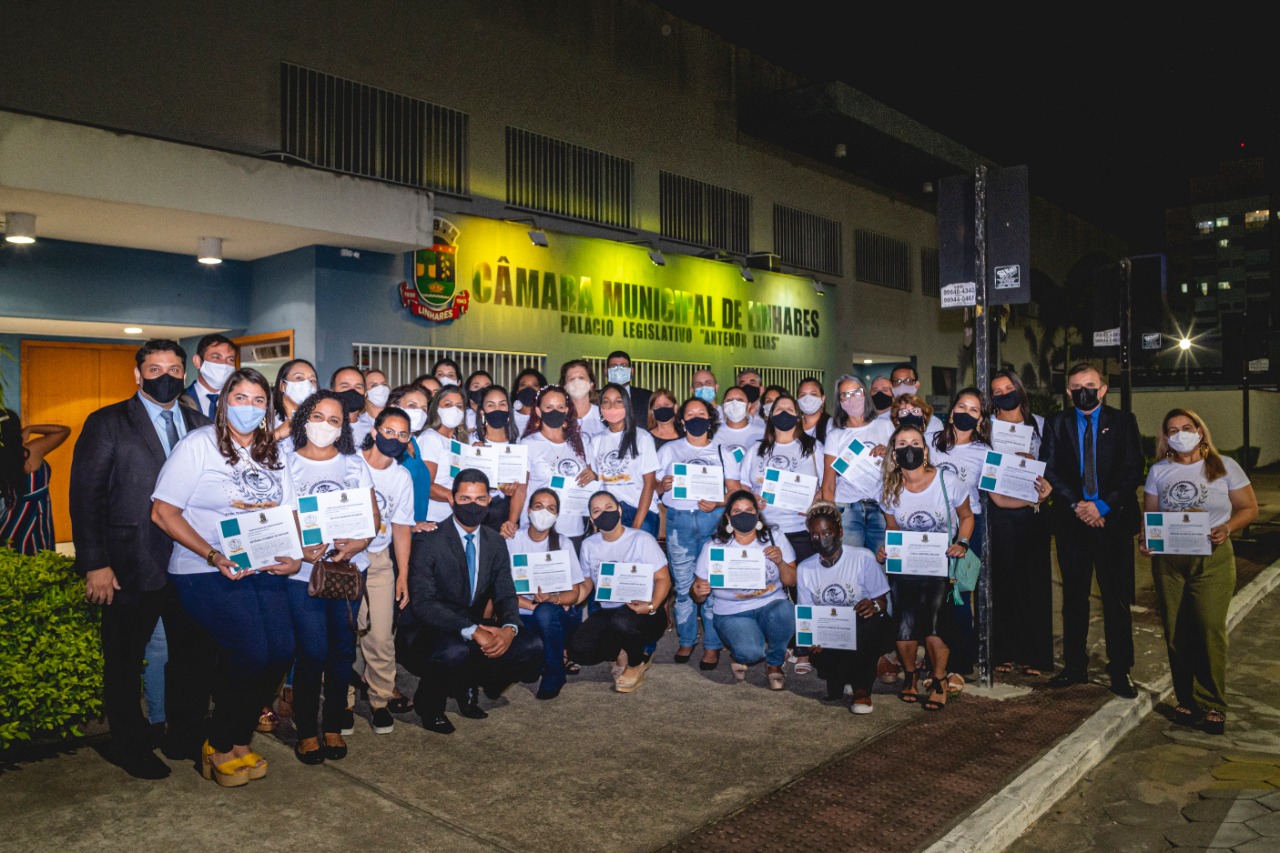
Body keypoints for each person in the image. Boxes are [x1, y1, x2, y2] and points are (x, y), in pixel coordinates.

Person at [70, 339, 213, 779]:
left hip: (190, 563)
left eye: (173, 368)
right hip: (130, 562)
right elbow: (85, 497)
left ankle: (184, 736)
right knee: (125, 658)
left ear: (185, 372)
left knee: (191, 656)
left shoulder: (201, 422)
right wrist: (95, 562)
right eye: (154, 369)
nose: (165, 377)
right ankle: (129, 745)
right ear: (137, 374)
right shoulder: (107, 422)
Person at [151, 366, 297, 786]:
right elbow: (163, 512)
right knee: (250, 652)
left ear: (267, 407)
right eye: (239, 398)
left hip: (263, 566)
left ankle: (239, 737)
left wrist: (292, 557)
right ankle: (217, 742)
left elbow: (286, 513)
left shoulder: (274, 452)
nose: (248, 407)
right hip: (204, 569)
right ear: (223, 403)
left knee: (281, 649)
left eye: (257, 400)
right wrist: (213, 554)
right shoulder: (198, 445)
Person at [400, 469, 544, 734]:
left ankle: (472, 680)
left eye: (479, 499)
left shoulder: (494, 542)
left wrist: (510, 629)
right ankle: (428, 705)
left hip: (473, 624)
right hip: (430, 629)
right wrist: (473, 630)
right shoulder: (429, 540)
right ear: (452, 500)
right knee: (455, 651)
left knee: (531, 646)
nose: (473, 505)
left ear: (489, 501)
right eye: (465, 499)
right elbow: (423, 604)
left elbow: (505, 592)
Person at [1141, 409, 1256, 735]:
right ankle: (1188, 700)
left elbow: (1249, 508)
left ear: (1200, 432)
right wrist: (1145, 540)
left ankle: (1214, 703)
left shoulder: (1224, 466)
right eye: (1172, 429)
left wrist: (1228, 527)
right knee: (1177, 632)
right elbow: (1150, 516)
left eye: (1186, 427)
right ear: (1165, 437)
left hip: (1213, 558)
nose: (1180, 433)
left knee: (1208, 629)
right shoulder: (1159, 471)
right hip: (1170, 562)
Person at [281, 390, 376, 764]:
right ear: (304, 419)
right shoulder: (284, 461)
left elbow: (372, 517)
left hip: (348, 571)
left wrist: (358, 543)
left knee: (340, 651)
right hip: (302, 575)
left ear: (344, 427)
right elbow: (278, 513)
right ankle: (306, 731)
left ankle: (333, 725)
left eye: (334, 420)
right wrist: (300, 545)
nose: (325, 426)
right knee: (312, 652)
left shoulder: (353, 464)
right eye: (317, 416)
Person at [1042, 363, 1144, 698]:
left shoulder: (1123, 421)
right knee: (1073, 599)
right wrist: (1077, 505)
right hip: (1073, 524)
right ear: (1068, 391)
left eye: (1089, 384)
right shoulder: (1057, 423)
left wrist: (1101, 506)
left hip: (1112, 523)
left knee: (1116, 601)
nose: (1082, 391)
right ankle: (1074, 667)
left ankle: (1120, 670)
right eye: (1075, 387)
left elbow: (1133, 470)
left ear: (1102, 388)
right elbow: (1050, 469)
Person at [876, 422, 974, 712]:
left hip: (940, 563)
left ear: (926, 451)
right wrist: (886, 548)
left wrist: (963, 542)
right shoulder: (888, 489)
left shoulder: (948, 482)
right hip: (906, 565)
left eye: (916, 443)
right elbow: (892, 527)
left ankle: (939, 678)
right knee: (904, 624)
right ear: (894, 454)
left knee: (934, 621)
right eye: (903, 444)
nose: (910, 449)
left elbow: (967, 517)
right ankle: (911, 674)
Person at [690, 490, 797, 689]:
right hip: (732, 611)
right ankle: (738, 654)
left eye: (749, 510)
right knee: (750, 652)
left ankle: (774, 663)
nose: (744, 515)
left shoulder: (774, 537)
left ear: (758, 514)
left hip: (770, 603)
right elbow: (696, 595)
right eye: (737, 512)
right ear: (728, 517)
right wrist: (698, 591)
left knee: (786, 611)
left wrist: (780, 562)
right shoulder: (714, 547)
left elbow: (791, 581)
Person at [568, 491, 672, 692]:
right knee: (578, 648)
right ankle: (621, 653)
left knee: (623, 622)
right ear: (592, 518)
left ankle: (636, 663)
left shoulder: (642, 539)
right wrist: (570, 599)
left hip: (646, 611)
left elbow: (663, 579)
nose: (604, 513)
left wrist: (652, 606)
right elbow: (587, 581)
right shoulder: (589, 545)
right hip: (609, 610)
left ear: (619, 509)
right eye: (597, 511)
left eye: (609, 507)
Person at [988, 369, 1054, 677]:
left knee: (1035, 585)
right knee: (1003, 584)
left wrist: (1044, 492)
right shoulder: (985, 428)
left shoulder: (1040, 425)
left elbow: (1051, 466)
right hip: (999, 510)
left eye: (1008, 388)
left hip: (1033, 511)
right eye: (997, 391)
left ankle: (1035, 655)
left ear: (1019, 389)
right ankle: (1003, 650)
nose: (1004, 394)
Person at [929, 388, 997, 687]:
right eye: (961, 406)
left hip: (967, 529)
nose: (966, 413)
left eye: (974, 410)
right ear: (951, 409)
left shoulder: (986, 453)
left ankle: (959, 663)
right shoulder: (932, 444)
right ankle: (935, 659)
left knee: (957, 593)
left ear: (981, 418)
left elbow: (997, 494)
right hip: (931, 528)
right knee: (932, 595)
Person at [796, 502, 892, 714]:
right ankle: (840, 677)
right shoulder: (805, 569)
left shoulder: (863, 558)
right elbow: (806, 616)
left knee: (870, 623)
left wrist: (873, 606)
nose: (821, 539)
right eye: (815, 534)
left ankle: (862, 690)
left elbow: (882, 601)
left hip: (864, 629)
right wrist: (811, 639)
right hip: (830, 634)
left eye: (826, 532)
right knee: (821, 655)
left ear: (840, 532)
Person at [355, 406, 417, 734]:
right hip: (345, 560)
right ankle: (344, 700)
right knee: (348, 633)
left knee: (381, 634)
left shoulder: (401, 477)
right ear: (375, 430)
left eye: (403, 434)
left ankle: (379, 699)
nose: (395, 438)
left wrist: (402, 575)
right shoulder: (352, 463)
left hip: (379, 562)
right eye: (389, 431)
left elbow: (402, 527)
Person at [655, 397, 729, 666]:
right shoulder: (669, 450)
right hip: (680, 523)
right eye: (690, 414)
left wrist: (719, 501)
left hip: (713, 521)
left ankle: (712, 644)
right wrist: (662, 485)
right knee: (684, 586)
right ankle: (687, 640)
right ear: (682, 420)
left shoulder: (724, 450)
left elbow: (735, 490)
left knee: (712, 585)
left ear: (710, 419)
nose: (696, 417)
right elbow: (654, 487)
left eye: (702, 413)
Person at [506, 487, 590, 699]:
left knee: (545, 612)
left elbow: (574, 592)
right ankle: (537, 661)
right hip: (519, 617)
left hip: (555, 618)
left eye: (551, 508)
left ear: (557, 515)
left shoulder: (563, 543)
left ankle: (555, 673)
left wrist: (553, 599)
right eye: (539, 506)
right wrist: (532, 605)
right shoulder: (512, 540)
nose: (544, 513)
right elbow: (500, 591)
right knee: (520, 674)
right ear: (528, 510)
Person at [820, 374, 893, 553]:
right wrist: (832, 518)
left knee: (882, 567)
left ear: (865, 394)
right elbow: (828, 482)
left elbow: (899, 471)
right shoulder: (835, 435)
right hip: (847, 508)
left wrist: (890, 453)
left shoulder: (886, 426)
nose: (851, 398)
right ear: (839, 401)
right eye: (845, 394)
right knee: (850, 568)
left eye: (856, 392)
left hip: (881, 508)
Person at [520, 385, 591, 546]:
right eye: (549, 407)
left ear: (566, 410)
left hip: (573, 528)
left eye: (560, 407)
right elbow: (521, 488)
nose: (555, 411)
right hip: (537, 529)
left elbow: (591, 478)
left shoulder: (581, 442)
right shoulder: (528, 444)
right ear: (538, 411)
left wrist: (592, 476)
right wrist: (511, 521)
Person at [584, 382, 659, 536]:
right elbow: (596, 480)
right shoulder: (596, 441)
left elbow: (649, 484)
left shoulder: (642, 437)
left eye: (618, 402)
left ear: (626, 405)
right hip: (608, 513)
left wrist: (637, 525)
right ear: (600, 408)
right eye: (606, 402)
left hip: (639, 512)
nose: (612, 406)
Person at [0, 411, 69, 553]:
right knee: (39, 560)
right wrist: (30, 429)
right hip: (38, 513)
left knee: (12, 565)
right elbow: (63, 430)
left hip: (10, 520)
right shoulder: (32, 450)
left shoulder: (4, 455)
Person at [417, 385, 473, 527]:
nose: (454, 410)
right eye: (448, 405)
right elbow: (425, 486)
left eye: (459, 406)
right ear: (436, 409)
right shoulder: (431, 437)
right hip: (432, 519)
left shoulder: (460, 442)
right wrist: (459, 497)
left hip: (455, 518)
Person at [474, 385, 526, 536]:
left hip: (505, 519)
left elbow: (521, 488)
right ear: (482, 412)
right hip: (476, 518)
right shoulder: (471, 443)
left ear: (509, 410)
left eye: (502, 404)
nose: (497, 409)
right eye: (491, 405)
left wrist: (510, 522)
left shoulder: (519, 445)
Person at [386, 384, 434, 530]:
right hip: (397, 532)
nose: (419, 413)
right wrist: (409, 527)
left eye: (423, 409)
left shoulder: (413, 442)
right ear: (394, 407)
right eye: (412, 406)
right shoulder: (388, 445)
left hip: (417, 529)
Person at [182, 333, 237, 420]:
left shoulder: (240, 401)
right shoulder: (180, 401)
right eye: (216, 357)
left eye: (230, 359)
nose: (224, 364)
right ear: (198, 361)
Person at [716, 386, 765, 471]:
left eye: (740, 400)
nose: (734, 403)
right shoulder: (713, 433)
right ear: (723, 406)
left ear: (748, 405)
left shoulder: (762, 433)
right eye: (729, 400)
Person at [271, 359, 318, 440]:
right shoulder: (265, 418)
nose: (307, 384)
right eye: (299, 378)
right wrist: (277, 434)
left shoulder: (319, 421)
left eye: (312, 380)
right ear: (282, 385)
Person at [560, 359, 605, 442]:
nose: (577, 382)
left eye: (581, 377)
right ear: (565, 387)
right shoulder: (558, 416)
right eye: (572, 379)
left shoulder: (604, 415)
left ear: (591, 384)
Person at [330, 365, 372, 447]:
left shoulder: (371, 432)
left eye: (358, 387)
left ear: (365, 394)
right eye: (345, 386)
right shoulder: (323, 427)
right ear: (332, 392)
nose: (352, 391)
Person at [607, 350, 651, 419]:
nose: (619, 370)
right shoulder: (596, 399)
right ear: (605, 371)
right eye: (614, 366)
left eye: (623, 366)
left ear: (632, 371)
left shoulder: (647, 397)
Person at [510, 367, 547, 435]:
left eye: (534, 385)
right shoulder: (508, 417)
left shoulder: (547, 417)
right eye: (523, 385)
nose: (529, 389)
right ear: (517, 390)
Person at [796, 376, 830, 443]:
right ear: (797, 399)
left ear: (822, 398)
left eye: (813, 394)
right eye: (803, 395)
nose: (808, 398)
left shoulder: (831, 425)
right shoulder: (793, 425)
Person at [362, 368, 391, 434]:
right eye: (374, 385)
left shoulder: (398, 418)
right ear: (365, 392)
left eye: (384, 384)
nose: (381, 388)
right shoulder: (359, 423)